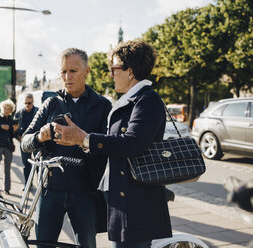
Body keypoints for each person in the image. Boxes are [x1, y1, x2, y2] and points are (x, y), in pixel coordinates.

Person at [52, 40, 172, 248]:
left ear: (130, 72)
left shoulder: (147, 100)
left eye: (114, 69)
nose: (110, 74)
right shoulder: (130, 100)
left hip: (136, 204)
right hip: (122, 200)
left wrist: (84, 138)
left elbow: (132, 143)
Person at [21, 48, 112, 248]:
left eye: (73, 71)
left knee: (87, 244)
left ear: (87, 71)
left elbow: (108, 148)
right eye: (63, 71)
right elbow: (25, 142)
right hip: (50, 189)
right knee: (44, 245)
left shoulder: (103, 106)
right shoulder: (50, 103)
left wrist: (82, 141)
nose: (67, 77)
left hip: (85, 190)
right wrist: (40, 136)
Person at [14, 93, 39, 190]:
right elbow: (14, 129)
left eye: (29, 103)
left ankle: (40, 185)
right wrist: (18, 138)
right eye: (25, 103)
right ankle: (28, 185)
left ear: (33, 102)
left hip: (36, 141)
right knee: (26, 165)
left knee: (38, 164)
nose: (27, 105)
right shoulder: (18, 114)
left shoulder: (38, 112)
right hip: (24, 142)